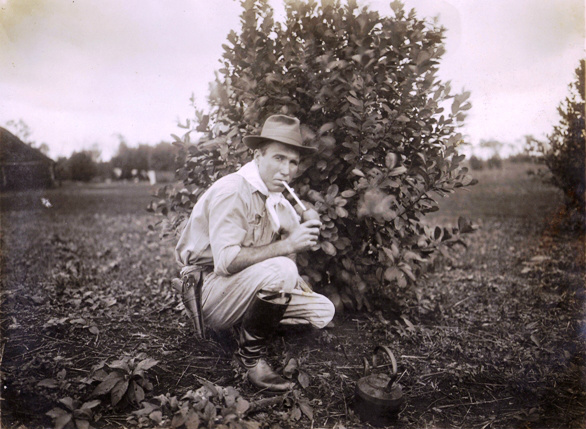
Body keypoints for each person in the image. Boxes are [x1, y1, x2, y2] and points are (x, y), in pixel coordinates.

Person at [175, 114, 335, 392]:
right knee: (283, 270)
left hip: (239, 286)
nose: (286, 170)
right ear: (258, 156)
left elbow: (285, 264)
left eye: (293, 162)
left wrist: (291, 233)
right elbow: (225, 262)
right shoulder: (234, 190)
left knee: (323, 310)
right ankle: (250, 360)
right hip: (208, 288)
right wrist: (288, 245)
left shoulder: (276, 200)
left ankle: (243, 327)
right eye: (278, 158)